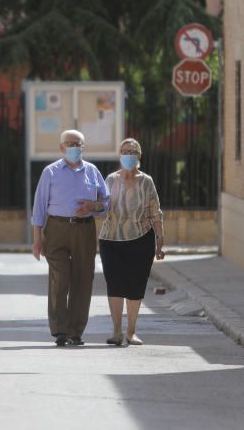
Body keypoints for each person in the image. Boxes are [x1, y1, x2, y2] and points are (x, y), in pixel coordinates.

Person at [32, 129, 108, 347]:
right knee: (60, 278)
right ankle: (59, 330)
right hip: (56, 228)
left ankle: (76, 331)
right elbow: (39, 207)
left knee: (83, 280)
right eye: (70, 143)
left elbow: (107, 202)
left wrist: (93, 206)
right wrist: (37, 239)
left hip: (84, 229)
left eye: (78, 144)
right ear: (62, 147)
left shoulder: (92, 172)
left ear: (83, 147)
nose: (75, 147)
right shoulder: (50, 172)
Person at [98, 138, 164, 346]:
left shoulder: (147, 181)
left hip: (141, 238)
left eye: (133, 151)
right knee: (115, 285)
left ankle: (131, 331)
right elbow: (101, 206)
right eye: (125, 151)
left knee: (136, 285)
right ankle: (117, 331)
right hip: (111, 239)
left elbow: (156, 212)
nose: (129, 154)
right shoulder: (110, 179)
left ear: (139, 156)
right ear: (120, 155)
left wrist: (160, 240)